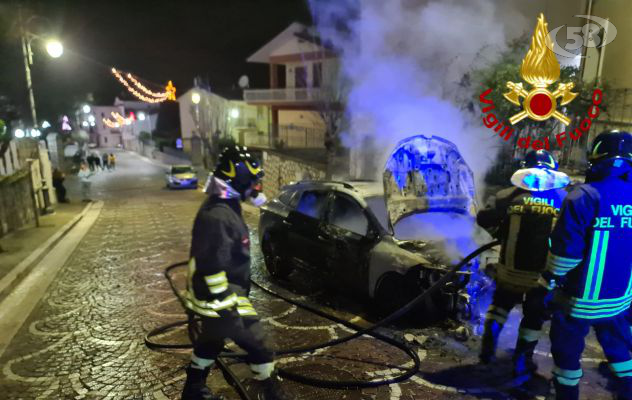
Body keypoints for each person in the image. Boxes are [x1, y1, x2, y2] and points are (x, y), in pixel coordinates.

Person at [181, 146, 286, 400]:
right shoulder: (218, 216)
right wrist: (229, 310)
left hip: (221, 297)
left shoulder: (226, 205)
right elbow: (212, 267)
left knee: (211, 340)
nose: (256, 187)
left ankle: (193, 390)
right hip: (221, 299)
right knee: (258, 344)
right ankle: (272, 394)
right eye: (252, 181)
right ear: (237, 179)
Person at [539, 130, 632, 400]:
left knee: (567, 355)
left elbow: (565, 255)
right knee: (620, 352)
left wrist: (547, 282)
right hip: (618, 301)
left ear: (597, 157)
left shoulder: (582, 196)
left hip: (578, 302)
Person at [477, 150, 570, 377]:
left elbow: (482, 219)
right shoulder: (564, 198)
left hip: (509, 271)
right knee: (533, 317)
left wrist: (501, 233)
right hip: (542, 277)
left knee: (500, 307)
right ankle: (521, 361)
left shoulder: (505, 196)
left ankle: (486, 353)